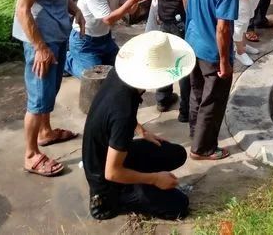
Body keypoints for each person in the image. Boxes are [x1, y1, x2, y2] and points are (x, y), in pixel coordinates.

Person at [82, 31, 195, 220]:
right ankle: (124, 196)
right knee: (179, 206)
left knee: (176, 153)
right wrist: (155, 179)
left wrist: (142, 131)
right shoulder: (123, 112)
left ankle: (141, 181)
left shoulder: (120, 76)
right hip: (106, 184)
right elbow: (112, 172)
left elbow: (112, 116)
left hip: (107, 155)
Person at [184, 0, 273, 160]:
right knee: (213, 100)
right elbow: (223, 29)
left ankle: (196, 135)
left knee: (197, 93)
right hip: (212, 51)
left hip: (192, 41)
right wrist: (225, 61)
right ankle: (202, 149)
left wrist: (195, 22)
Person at [13, 0, 87, 177]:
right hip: (40, 40)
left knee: (51, 89)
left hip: (57, 34)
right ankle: (31, 154)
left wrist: (75, 9)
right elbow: (23, 10)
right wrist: (40, 48)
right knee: (38, 98)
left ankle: (46, 132)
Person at [64, 0, 148, 78]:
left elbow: (131, 10)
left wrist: (136, 0)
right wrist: (131, 1)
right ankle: (66, 60)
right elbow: (108, 20)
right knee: (94, 78)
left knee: (122, 71)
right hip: (85, 42)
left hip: (105, 38)